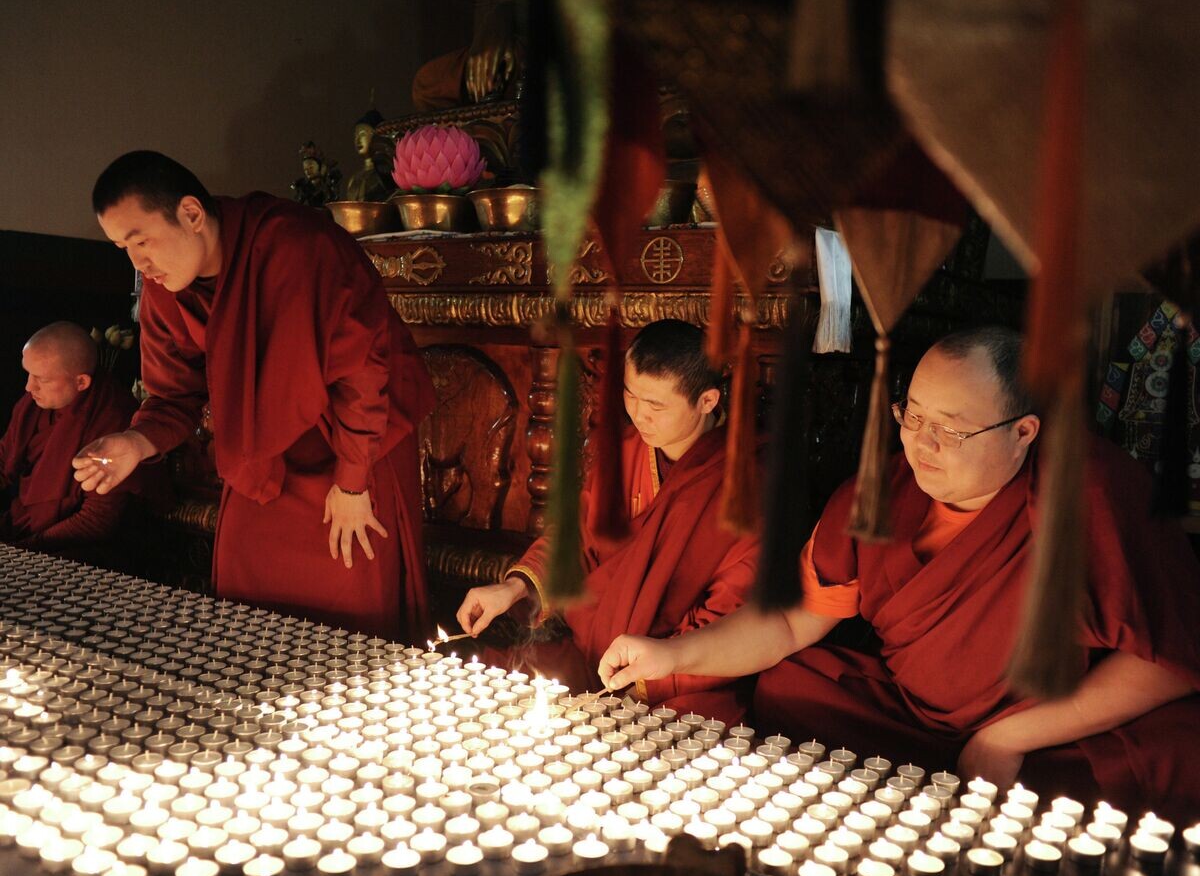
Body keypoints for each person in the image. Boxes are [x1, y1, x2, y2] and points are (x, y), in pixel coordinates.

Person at [599, 326, 1200, 816]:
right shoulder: (882, 495)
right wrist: (672, 655)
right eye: (911, 417)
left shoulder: (1092, 490)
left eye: (952, 429)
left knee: (1180, 753)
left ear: (1023, 432)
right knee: (791, 684)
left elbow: (1169, 662)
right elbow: (787, 626)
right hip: (916, 720)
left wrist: (1007, 738)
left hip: (1050, 730)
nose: (922, 445)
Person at [76, 151, 435, 639]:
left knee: (354, 604)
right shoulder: (165, 290)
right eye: (123, 249)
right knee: (246, 601)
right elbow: (173, 395)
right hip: (261, 455)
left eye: (142, 242)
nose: (140, 264)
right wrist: (137, 443)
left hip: (354, 444)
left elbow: (362, 371)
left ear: (191, 214)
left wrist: (352, 483)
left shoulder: (299, 245)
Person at [456, 319, 760, 721]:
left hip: (683, 679)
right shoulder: (629, 452)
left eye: (656, 406)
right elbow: (578, 539)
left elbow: (732, 610)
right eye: (630, 396)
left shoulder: (748, 484)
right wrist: (513, 588)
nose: (638, 415)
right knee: (487, 684)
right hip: (595, 658)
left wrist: (647, 673)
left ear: (707, 400)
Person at [1, 322, 141, 557]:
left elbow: (96, 521)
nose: (28, 387)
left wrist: (24, 551)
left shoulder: (112, 419)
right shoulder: (34, 404)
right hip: (22, 528)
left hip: (79, 552)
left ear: (81, 382)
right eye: (28, 374)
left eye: (41, 379)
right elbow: (4, 461)